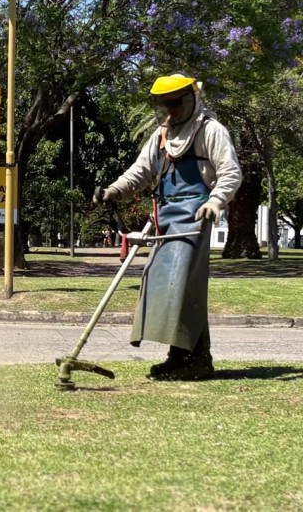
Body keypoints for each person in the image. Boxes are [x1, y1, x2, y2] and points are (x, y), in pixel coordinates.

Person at [94, 74, 241, 381]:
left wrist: (214, 202)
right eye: (165, 105)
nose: (171, 111)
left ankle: (191, 359)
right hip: (164, 218)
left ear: (192, 98)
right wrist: (113, 190)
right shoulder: (162, 135)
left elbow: (230, 173)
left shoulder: (210, 130)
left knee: (183, 286)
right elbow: (141, 171)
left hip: (196, 219)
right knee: (160, 285)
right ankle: (187, 358)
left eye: (175, 104)